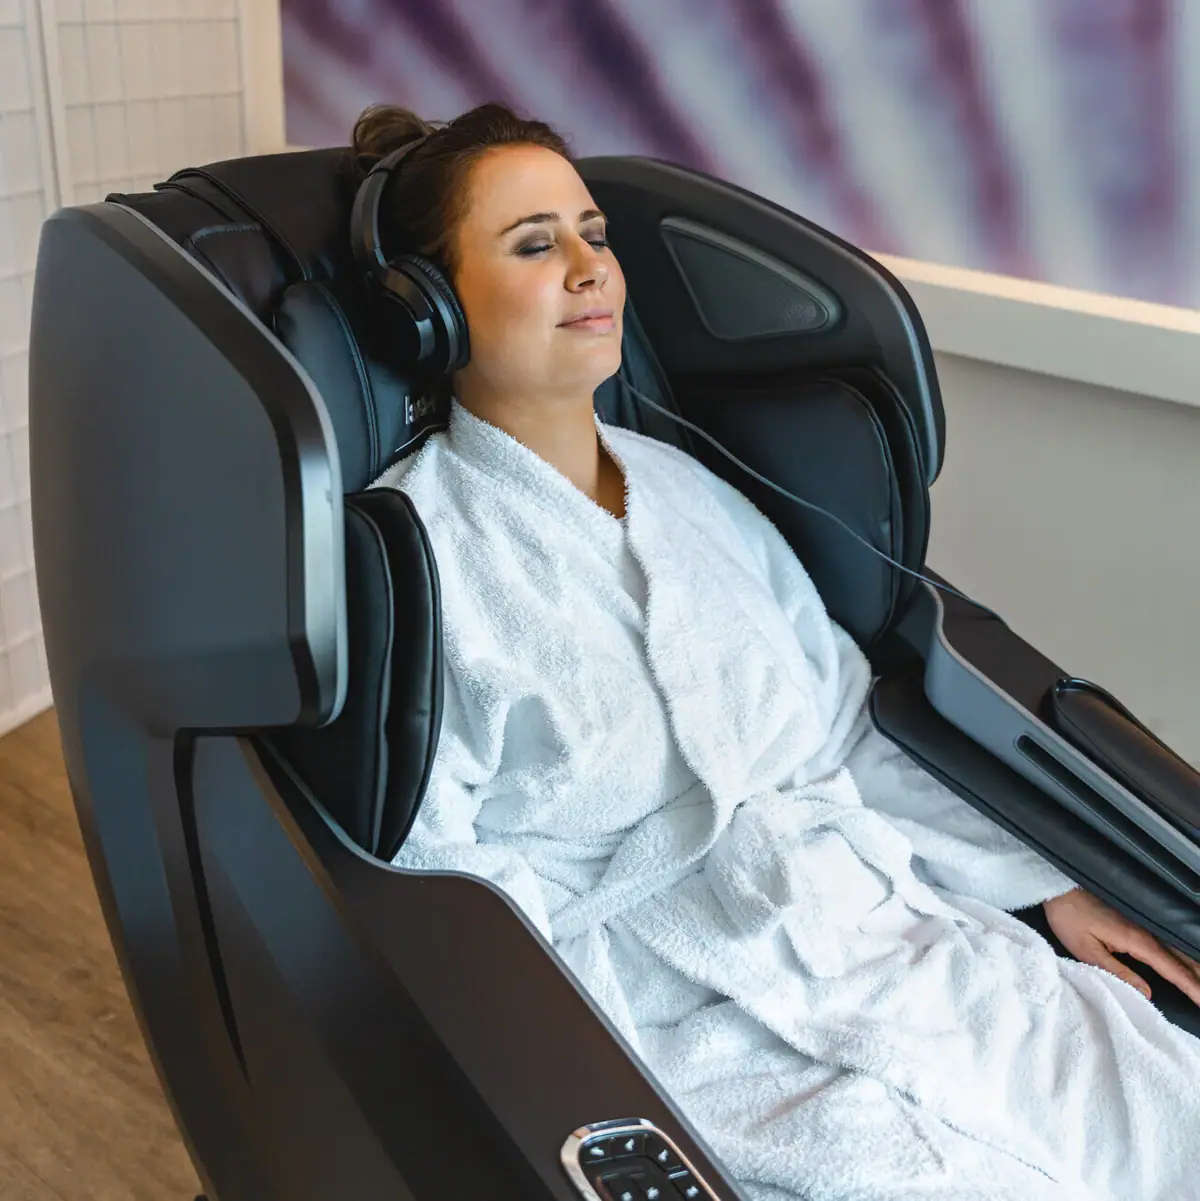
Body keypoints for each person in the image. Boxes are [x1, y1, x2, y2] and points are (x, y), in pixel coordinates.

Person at [360, 100, 1200, 1199]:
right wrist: (583, 1083)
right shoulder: (417, 553)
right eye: (533, 243)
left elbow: (843, 725)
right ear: (430, 309)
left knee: (1162, 1099)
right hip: (676, 1011)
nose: (587, 268)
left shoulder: (687, 492)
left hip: (874, 933)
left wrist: (1033, 886)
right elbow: (449, 878)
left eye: (594, 233)